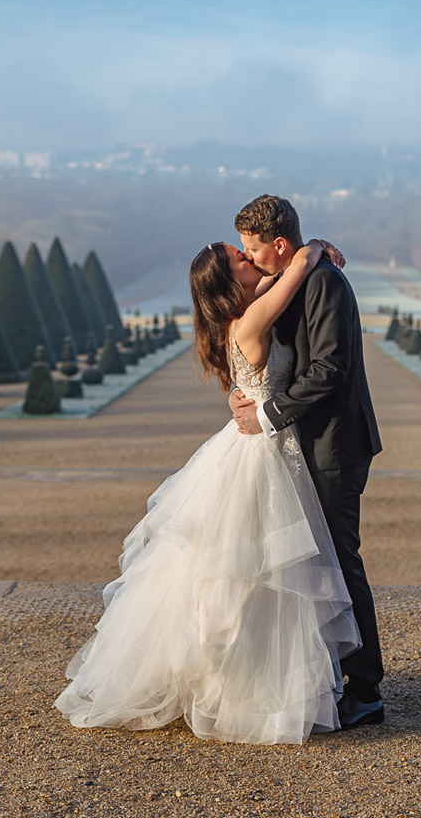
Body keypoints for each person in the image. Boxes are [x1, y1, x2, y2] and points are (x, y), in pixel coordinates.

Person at [53, 237, 362, 745]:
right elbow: (293, 272)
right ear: (228, 279)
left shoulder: (237, 317)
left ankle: (250, 679)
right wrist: (310, 251)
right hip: (262, 450)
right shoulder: (253, 317)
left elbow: (274, 284)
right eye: (240, 258)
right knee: (256, 571)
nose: (250, 258)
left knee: (252, 571)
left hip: (258, 440)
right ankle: (251, 687)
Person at [230, 194, 384, 729]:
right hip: (304, 445)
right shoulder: (291, 277)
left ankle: (366, 692)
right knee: (313, 564)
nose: (247, 260)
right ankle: (333, 676)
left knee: (342, 562)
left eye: (252, 249)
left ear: (278, 243)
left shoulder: (324, 283)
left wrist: (269, 414)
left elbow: (330, 369)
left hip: (334, 445)